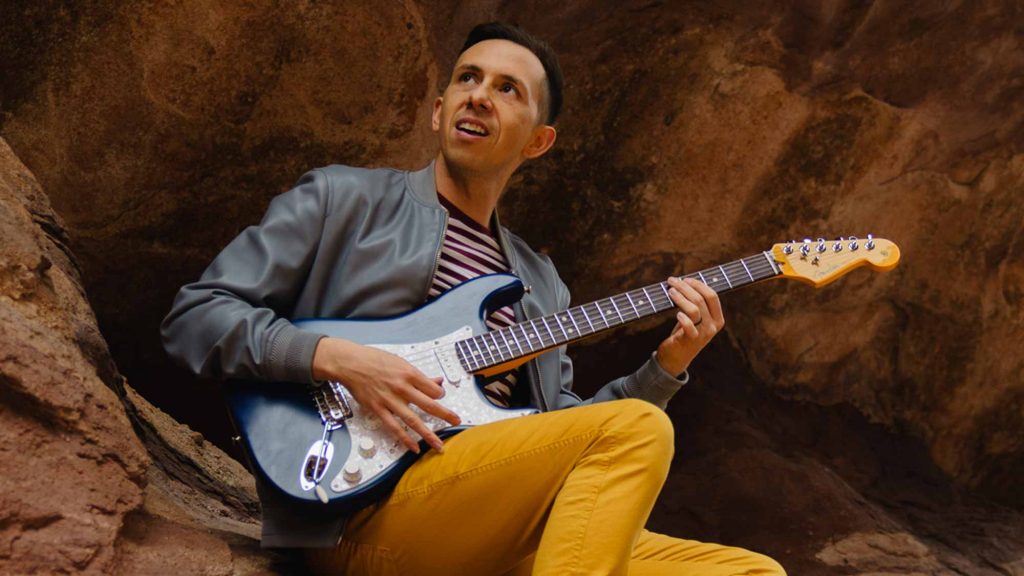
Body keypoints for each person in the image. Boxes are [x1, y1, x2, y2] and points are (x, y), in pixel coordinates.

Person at [162, 22, 786, 576]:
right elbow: (197, 315)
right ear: (438, 111)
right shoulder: (341, 199)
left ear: (538, 142)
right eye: (468, 78)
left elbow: (568, 432)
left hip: (493, 520)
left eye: (507, 89)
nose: (480, 95)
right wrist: (336, 358)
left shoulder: (540, 282)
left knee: (752, 570)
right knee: (639, 429)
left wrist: (667, 365)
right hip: (361, 514)